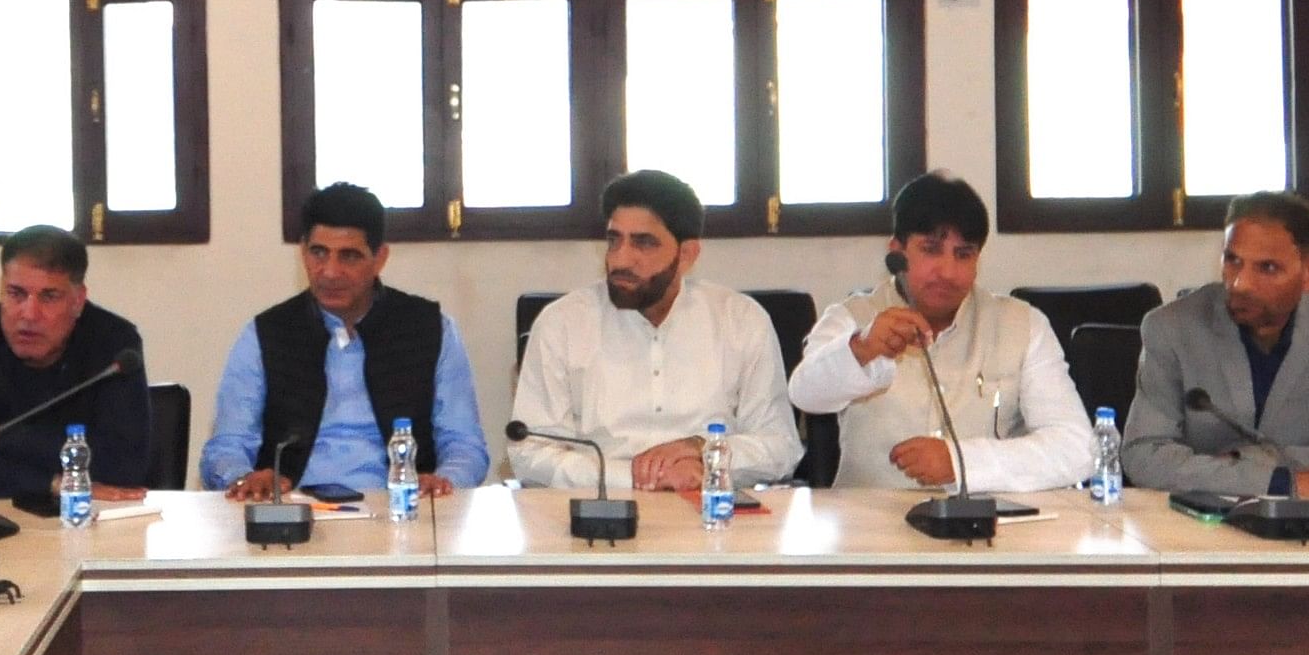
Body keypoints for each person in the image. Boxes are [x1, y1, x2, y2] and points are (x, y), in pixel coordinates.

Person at [789, 170, 1094, 491]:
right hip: (870, 531)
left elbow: (1076, 449)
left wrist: (961, 462)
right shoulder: (851, 318)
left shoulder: (1023, 324)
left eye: (964, 254)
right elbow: (805, 394)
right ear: (897, 251)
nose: (948, 272)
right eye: (931, 249)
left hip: (990, 529)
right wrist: (861, 349)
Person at [506, 170, 800, 493]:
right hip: (598, 513)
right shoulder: (561, 324)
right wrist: (633, 475)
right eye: (614, 240)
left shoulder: (741, 321)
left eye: (643, 243)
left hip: (713, 513)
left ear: (687, 255)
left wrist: (703, 454)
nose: (621, 259)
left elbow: (781, 446)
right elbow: (530, 453)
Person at [200, 182, 491, 499]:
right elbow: (226, 446)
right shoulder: (265, 333)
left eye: (349, 256)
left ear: (380, 258)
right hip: (295, 509)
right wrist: (242, 477)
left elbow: (465, 444)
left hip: (402, 509)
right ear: (302, 252)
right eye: (318, 253)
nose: (330, 271)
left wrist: (445, 481)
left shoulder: (432, 329)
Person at [1120, 191, 1309, 501]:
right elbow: (1143, 456)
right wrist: (1285, 482)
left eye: (1268, 268)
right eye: (1232, 260)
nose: (1240, 284)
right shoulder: (1172, 328)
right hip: (1201, 524)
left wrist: (1236, 465)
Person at [0, 226, 154, 500]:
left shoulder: (114, 345)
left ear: (78, 300)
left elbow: (124, 469)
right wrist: (50, 482)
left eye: (48, 297)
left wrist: (2, 439)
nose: (29, 314)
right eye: (16, 294)